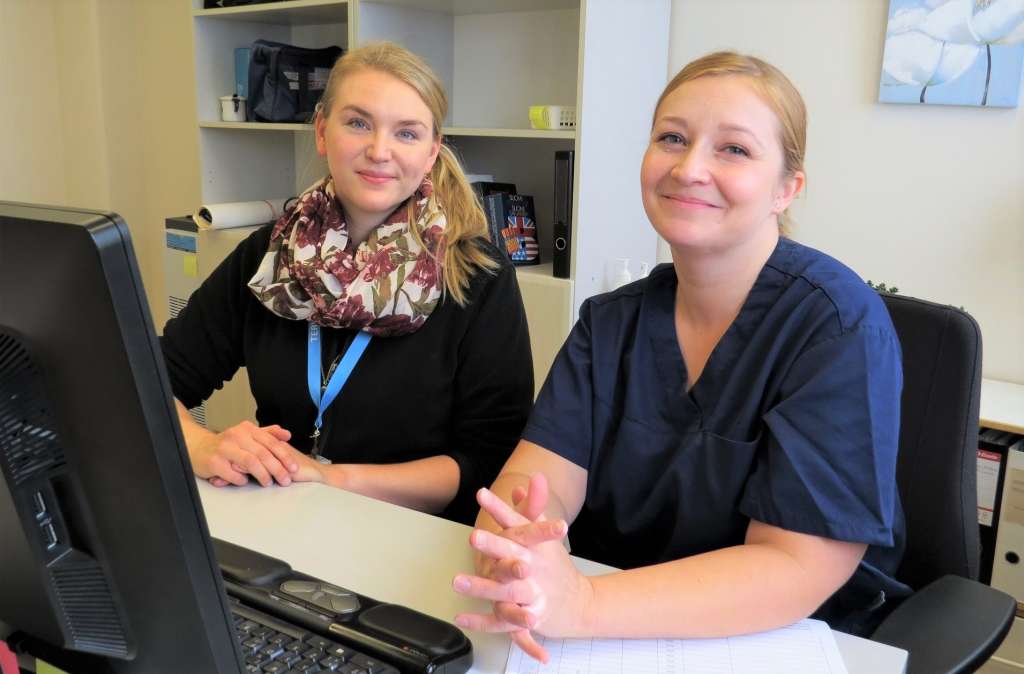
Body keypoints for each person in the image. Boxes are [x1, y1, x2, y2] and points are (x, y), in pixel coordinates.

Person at [451, 51, 911, 660]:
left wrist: (581, 603)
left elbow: (797, 563)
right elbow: (532, 485)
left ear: (786, 189)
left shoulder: (836, 326)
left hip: (777, 640)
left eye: (735, 149)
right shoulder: (610, 322)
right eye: (672, 138)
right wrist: (516, 556)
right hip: (614, 622)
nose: (690, 168)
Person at [160, 42, 533, 525]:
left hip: (418, 536)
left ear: (431, 151)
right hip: (284, 519)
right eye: (358, 123)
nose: (379, 151)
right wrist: (202, 445)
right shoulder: (268, 256)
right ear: (322, 131)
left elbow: (488, 461)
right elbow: (155, 379)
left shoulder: (478, 276)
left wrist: (330, 478)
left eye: (406, 133)